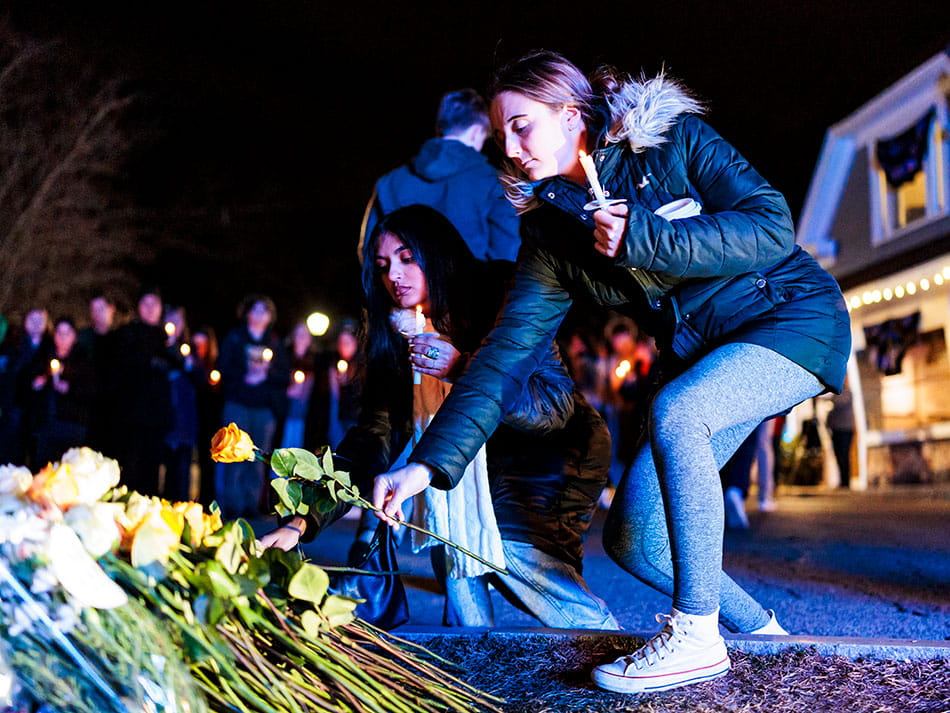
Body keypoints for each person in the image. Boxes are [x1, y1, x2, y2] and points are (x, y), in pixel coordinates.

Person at [371, 51, 851, 693]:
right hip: (707, 356)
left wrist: (644, 236)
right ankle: (767, 639)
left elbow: (771, 226)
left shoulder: (667, 141)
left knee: (678, 410)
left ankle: (697, 634)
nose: (510, 149)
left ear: (570, 115)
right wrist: (425, 464)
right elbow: (503, 357)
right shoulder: (550, 238)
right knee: (637, 540)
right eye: (499, 135)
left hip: (790, 316)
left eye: (521, 126)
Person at [262, 205, 617, 630]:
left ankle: (609, 643)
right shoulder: (397, 335)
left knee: (509, 556)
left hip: (548, 456)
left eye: (407, 258)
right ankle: (474, 676)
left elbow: (553, 406)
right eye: (383, 265)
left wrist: (462, 367)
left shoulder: (498, 293)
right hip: (455, 472)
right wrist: (301, 522)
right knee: (450, 532)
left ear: (437, 253)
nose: (394, 275)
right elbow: (371, 441)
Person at [360, 89, 521, 263]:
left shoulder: (389, 182)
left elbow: (371, 252)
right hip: (470, 288)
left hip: (403, 287)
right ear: (476, 131)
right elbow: (505, 254)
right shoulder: (494, 182)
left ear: (439, 128)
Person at [215, 295, 289, 519]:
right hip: (238, 403)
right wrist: (245, 375)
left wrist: (266, 374)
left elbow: (284, 375)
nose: (259, 315)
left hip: (263, 407)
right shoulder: (235, 338)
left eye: (264, 311)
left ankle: (252, 503)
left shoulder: (275, 342)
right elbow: (222, 366)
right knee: (232, 453)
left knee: (257, 457)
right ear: (247, 314)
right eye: (255, 310)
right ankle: (230, 503)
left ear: (270, 317)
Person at [111, 288, 174, 495]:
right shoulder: (129, 332)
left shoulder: (166, 337)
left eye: (153, 305)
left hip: (157, 413)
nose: (149, 309)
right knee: (132, 462)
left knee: (153, 464)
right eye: (145, 304)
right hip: (133, 411)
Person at [25, 317, 96, 465]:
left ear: (74, 336)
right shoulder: (44, 356)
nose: (63, 338)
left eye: (67, 333)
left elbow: (90, 390)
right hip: (46, 424)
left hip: (73, 426)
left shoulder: (83, 360)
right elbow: (28, 385)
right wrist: (37, 384)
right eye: (59, 333)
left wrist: (70, 388)